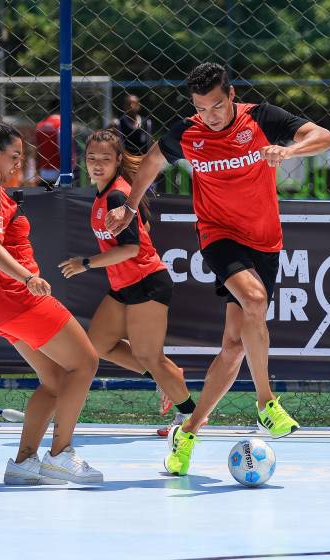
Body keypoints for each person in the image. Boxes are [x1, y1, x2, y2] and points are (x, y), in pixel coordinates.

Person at [106, 62, 330, 476]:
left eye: (216, 106)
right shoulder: (188, 132)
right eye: (201, 108)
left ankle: (188, 433)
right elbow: (153, 161)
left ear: (231, 96)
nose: (209, 116)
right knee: (255, 298)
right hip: (218, 236)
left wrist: (288, 150)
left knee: (233, 348)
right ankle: (266, 402)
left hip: (265, 241)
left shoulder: (261, 119)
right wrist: (129, 206)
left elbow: (324, 136)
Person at [0, 114, 103, 485]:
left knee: (55, 378)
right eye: (14, 155)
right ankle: (61, 454)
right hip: (16, 297)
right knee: (84, 362)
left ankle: (24, 463)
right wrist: (28, 278)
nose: (20, 163)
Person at [58, 129, 196, 436]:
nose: (97, 164)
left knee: (150, 357)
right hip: (123, 285)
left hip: (147, 282)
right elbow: (142, 225)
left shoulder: (118, 194)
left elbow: (132, 248)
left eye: (105, 159)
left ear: (118, 160)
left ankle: (190, 416)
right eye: (91, 158)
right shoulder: (109, 194)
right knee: (97, 346)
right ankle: (167, 374)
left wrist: (86, 264)